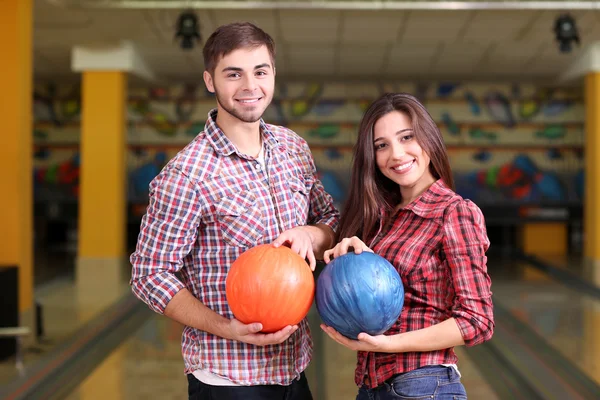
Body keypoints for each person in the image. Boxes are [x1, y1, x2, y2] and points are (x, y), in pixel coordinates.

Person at [130, 22, 339, 400]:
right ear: (210, 80)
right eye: (233, 74)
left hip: (294, 371)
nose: (249, 86)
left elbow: (332, 221)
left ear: (273, 73)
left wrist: (311, 234)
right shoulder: (186, 174)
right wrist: (227, 327)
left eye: (260, 71)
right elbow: (149, 275)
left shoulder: (293, 148)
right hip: (228, 380)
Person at [321, 93, 494, 400]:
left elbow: (477, 321)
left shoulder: (454, 212)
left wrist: (389, 344)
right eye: (381, 145)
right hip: (373, 388)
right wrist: (348, 259)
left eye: (406, 137)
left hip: (424, 385)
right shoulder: (381, 217)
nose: (396, 154)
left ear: (428, 138)